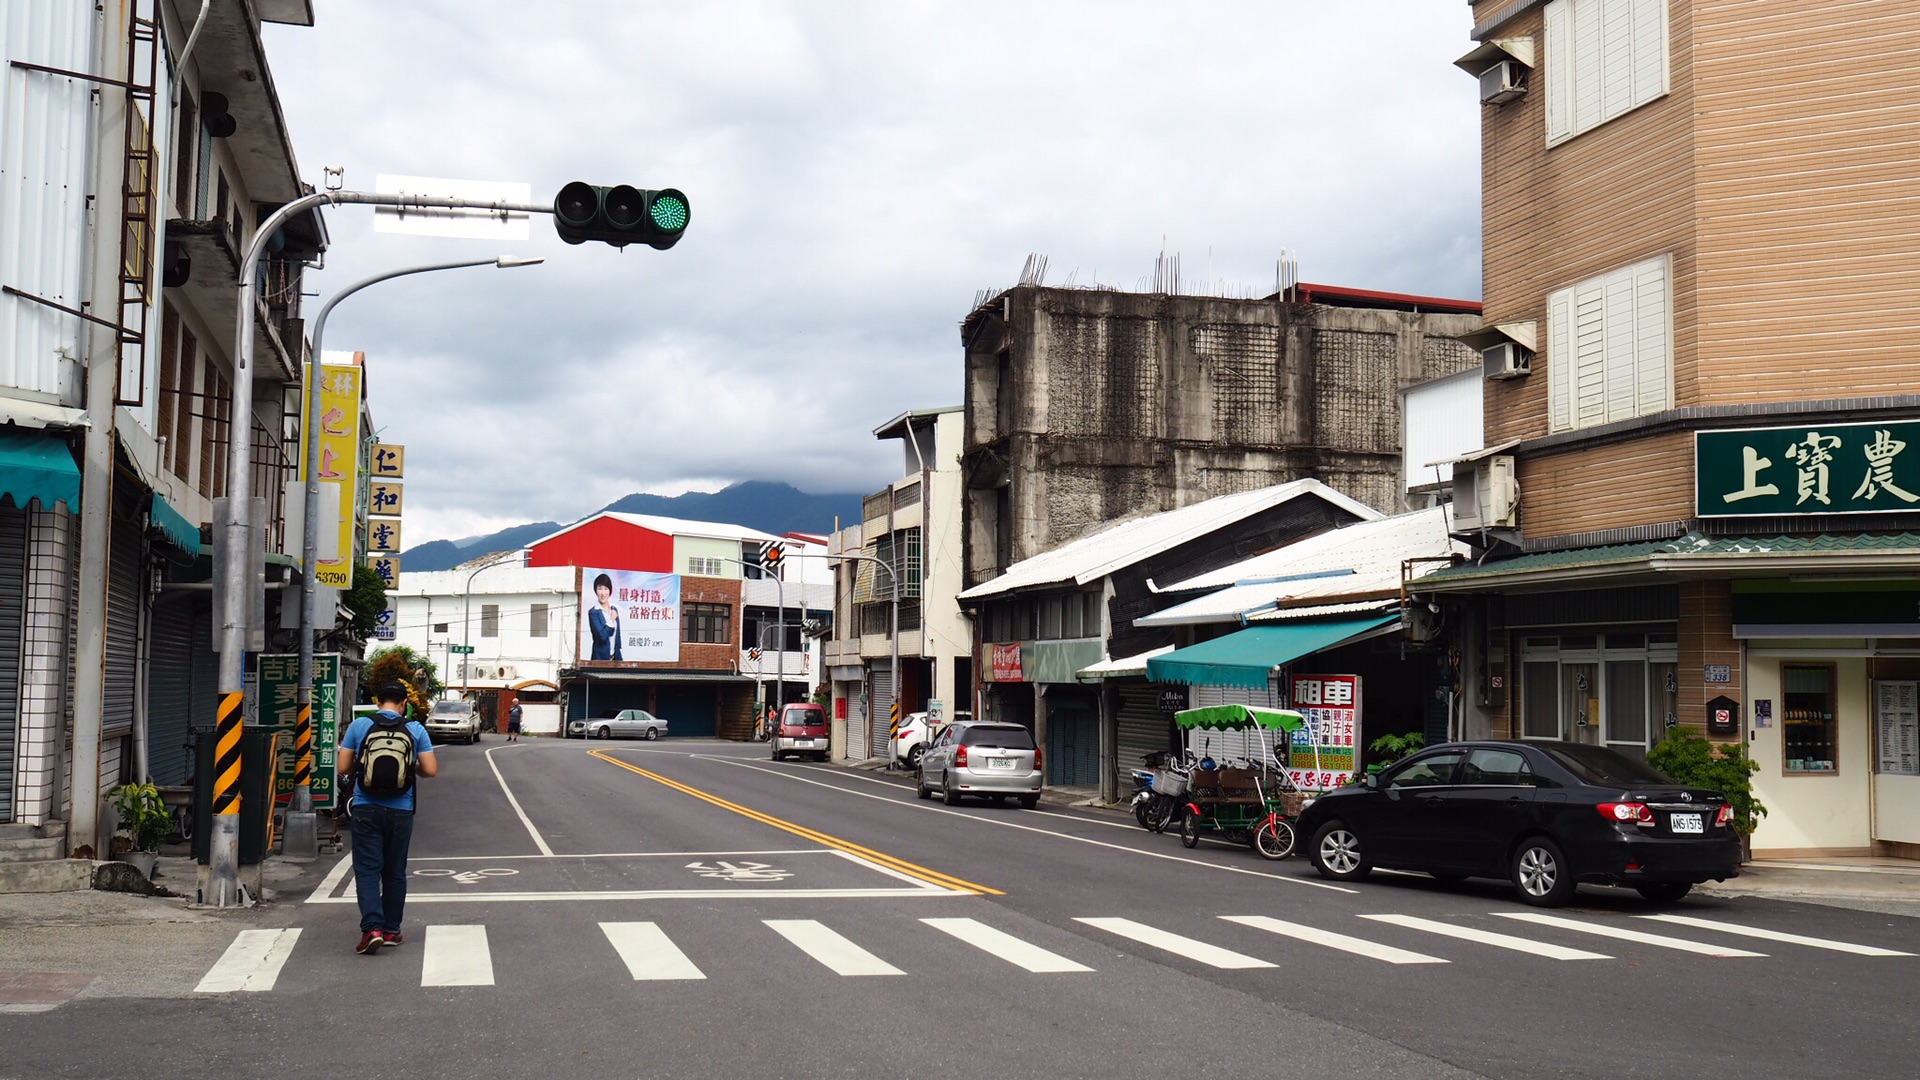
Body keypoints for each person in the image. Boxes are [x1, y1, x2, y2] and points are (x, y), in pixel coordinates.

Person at [338, 683, 437, 955]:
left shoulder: (360, 726)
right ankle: (392, 929)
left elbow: (343, 767)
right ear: (404, 702)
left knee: (368, 869)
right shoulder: (415, 729)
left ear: (378, 701)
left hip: (365, 807)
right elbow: (430, 770)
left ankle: (372, 928)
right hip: (401, 810)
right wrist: (410, 765)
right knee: (394, 871)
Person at [587, 572, 623, 662]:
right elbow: (602, 637)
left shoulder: (614, 609)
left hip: (615, 659)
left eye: (606, 589)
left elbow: (617, 636)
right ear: (596, 590)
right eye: (600, 589)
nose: (603, 593)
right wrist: (611, 620)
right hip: (600, 660)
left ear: (610, 591)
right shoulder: (593, 612)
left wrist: (618, 657)